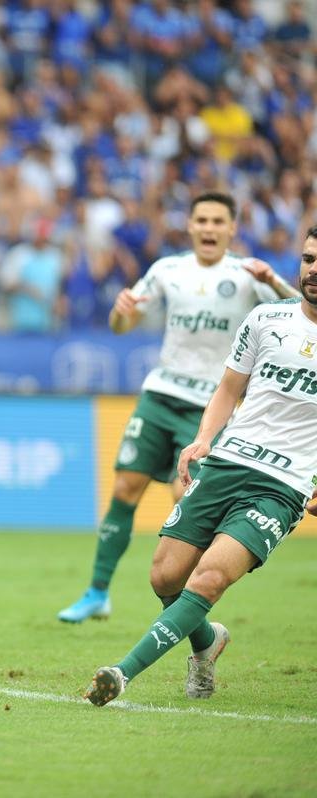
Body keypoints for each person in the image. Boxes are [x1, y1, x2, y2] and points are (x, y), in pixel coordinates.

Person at [86, 228, 317, 705]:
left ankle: (121, 673)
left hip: (283, 485)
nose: (313, 270)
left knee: (207, 579)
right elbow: (229, 389)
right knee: (164, 577)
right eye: (309, 259)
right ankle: (208, 643)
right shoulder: (267, 318)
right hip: (229, 462)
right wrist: (202, 440)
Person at [58, 192, 301, 623]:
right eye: (201, 220)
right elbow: (122, 324)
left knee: (183, 496)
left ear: (232, 229)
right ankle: (97, 592)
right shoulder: (167, 270)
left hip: (207, 405)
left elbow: (297, 311)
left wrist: (276, 280)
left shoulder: (248, 274)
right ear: (189, 226)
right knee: (123, 490)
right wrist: (120, 314)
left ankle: (192, 609)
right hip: (161, 394)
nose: (208, 228)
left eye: (217, 221)